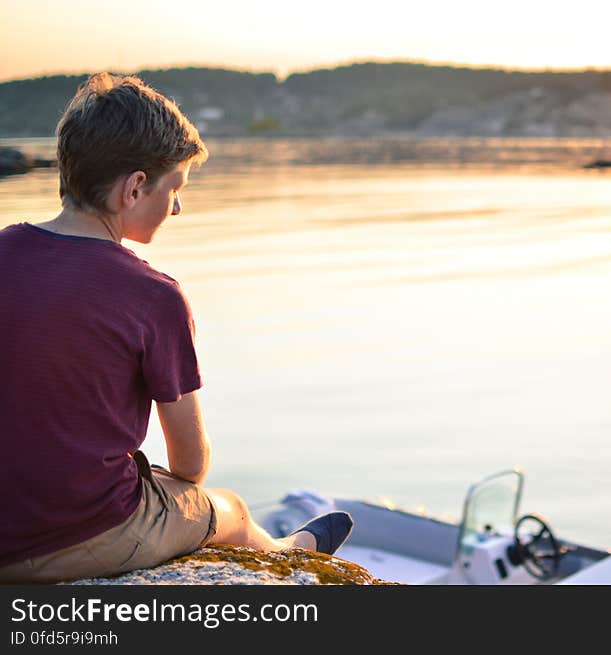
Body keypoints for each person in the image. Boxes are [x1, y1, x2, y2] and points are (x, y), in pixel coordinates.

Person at [0, 73, 352, 584]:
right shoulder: (153, 295)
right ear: (136, 187)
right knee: (224, 506)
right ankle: (287, 552)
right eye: (175, 188)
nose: (178, 206)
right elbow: (190, 464)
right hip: (71, 539)